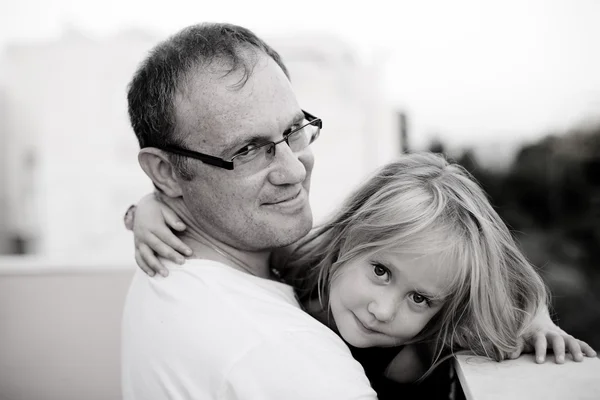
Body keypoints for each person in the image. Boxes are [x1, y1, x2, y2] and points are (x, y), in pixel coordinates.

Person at [129, 153, 597, 399]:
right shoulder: (297, 265)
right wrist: (145, 209)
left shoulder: (425, 349)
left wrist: (535, 316)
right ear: (351, 240)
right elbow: (196, 205)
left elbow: (506, 277)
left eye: (420, 299)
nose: (383, 309)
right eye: (380, 271)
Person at [121, 22, 379, 400]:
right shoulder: (286, 355)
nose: (294, 170)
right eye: (247, 150)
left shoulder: (169, 273)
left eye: (294, 130)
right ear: (165, 172)